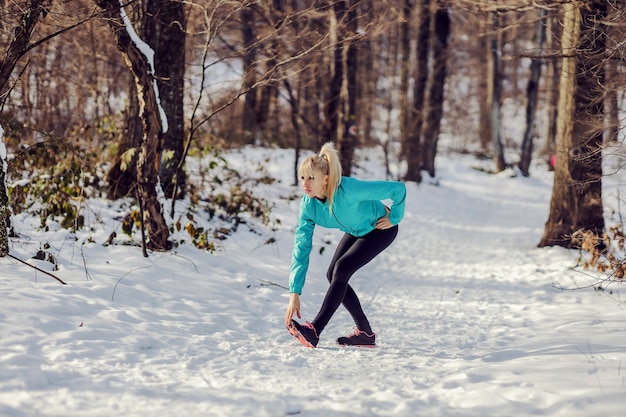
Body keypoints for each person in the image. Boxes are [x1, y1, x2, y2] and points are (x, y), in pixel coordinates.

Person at [285, 142, 406, 348]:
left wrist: (394, 217)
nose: (305, 183)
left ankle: (314, 330)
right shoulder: (308, 205)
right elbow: (301, 247)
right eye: (302, 177)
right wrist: (294, 292)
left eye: (311, 178)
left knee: (341, 269)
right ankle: (365, 333)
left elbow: (398, 189)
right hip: (357, 230)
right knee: (333, 274)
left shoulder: (348, 189)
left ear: (326, 179)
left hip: (381, 228)